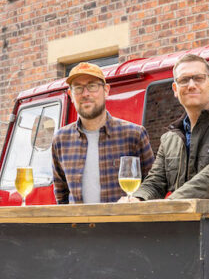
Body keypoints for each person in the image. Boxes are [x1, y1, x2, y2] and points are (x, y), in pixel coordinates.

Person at [121, 54, 209, 203]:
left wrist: (171, 202)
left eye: (198, 78)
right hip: (184, 225)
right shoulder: (169, 139)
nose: (191, 85)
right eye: (184, 80)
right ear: (175, 89)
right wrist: (137, 198)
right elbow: (155, 182)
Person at [51, 62, 154, 203]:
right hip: (79, 225)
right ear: (70, 94)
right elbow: (61, 195)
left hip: (122, 223)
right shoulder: (61, 140)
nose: (85, 94)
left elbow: (153, 186)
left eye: (92, 86)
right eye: (78, 88)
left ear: (106, 90)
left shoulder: (134, 134)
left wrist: (138, 200)